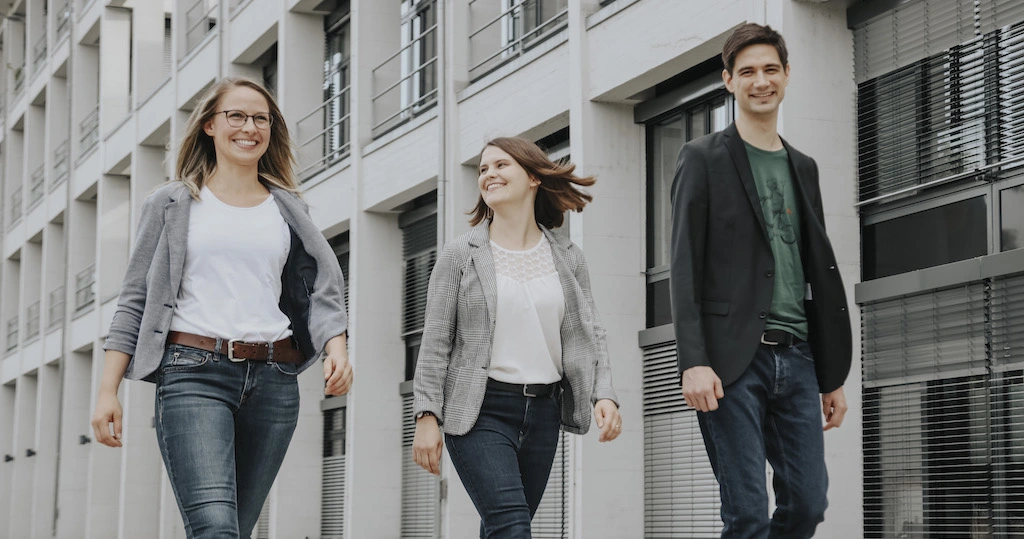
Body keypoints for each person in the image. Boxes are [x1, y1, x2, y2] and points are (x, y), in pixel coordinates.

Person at [90, 78, 352, 539]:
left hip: (274, 380)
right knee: (215, 528)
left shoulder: (289, 208)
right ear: (210, 125)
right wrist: (107, 390)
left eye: (260, 118)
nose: (249, 127)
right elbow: (134, 298)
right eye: (236, 116)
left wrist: (338, 346)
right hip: (193, 372)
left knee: (237, 529)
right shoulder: (171, 203)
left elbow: (321, 290)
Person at [669, 24, 852, 538]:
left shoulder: (804, 167)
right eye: (747, 72)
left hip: (797, 357)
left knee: (809, 504)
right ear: (729, 81)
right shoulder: (702, 158)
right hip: (731, 364)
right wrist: (694, 361)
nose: (760, 81)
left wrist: (830, 373)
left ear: (787, 75)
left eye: (771, 69)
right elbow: (684, 265)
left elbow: (813, 268)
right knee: (747, 513)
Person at [412, 137, 621, 538]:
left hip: (543, 411)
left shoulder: (567, 256)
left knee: (504, 528)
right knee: (512, 526)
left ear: (532, 178)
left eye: (501, 165)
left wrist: (605, 393)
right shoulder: (460, 254)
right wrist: (426, 415)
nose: (489, 174)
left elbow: (591, 331)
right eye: (483, 169)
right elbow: (436, 342)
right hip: (480, 409)